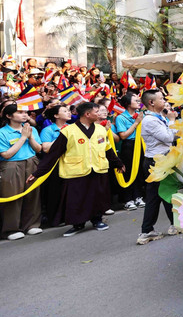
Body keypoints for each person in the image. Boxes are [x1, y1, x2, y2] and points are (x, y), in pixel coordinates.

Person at [27, 101, 124, 237]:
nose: (100, 114)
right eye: (96, 111)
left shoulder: (101, 129)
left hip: (98, 168)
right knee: (76, 199)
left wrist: (118, 163)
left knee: (97, 196)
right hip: (76, 171)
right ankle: (78, 224)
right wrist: (38, 172)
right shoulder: (68, 131)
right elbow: (54, 153)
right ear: (87, 114)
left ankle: (97, 220)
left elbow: (108, 149)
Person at [137, 89, 179, 245]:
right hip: (156, 161)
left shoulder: (158, 117)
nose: (165, 101)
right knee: (156, 195)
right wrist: (173, 121)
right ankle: (147, 230)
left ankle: (170, 225)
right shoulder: (150, 120)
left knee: (163, 193)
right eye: (162, 99)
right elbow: (168, 137)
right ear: (151, 102)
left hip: (162, 159)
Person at [0, 104, 43, 240]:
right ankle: (11, 229)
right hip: (11, 166)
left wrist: (30, 137)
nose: (24, 115)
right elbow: (6, 154)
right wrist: (23, 137)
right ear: (8, 116)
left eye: (25, 112)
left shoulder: (32, 129)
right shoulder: (2, 133)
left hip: (31, 162)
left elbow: (38, 149)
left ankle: (31, 225)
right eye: (19, 112)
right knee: (13, 196)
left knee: (33, 194)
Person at [40, 103, 71, 226]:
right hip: (55, 164)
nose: (69, 112)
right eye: (65, 111)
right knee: (55, 191)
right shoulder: (48, 130)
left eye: (69, 110)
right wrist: (62, 136)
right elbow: (46, 148)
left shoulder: (72, 127)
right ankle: (55, 218)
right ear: (56, 115)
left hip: (71, 162)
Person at [114, 92, 145, 211]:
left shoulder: (140, 115)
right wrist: (136, 123)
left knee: (139, 171)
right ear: (127, 103)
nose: (138, 102)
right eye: (135, 100)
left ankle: (138, 196)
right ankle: (128, 199)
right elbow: (123, 136)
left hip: (140, 145)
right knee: (128, 171)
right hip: (129, 146)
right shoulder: (121, 118)